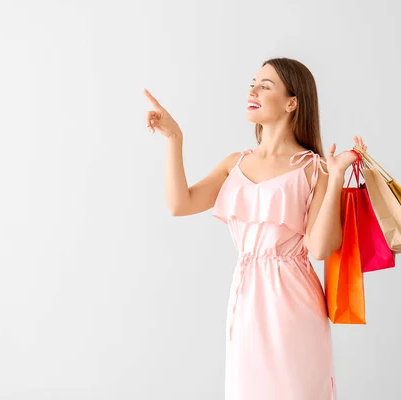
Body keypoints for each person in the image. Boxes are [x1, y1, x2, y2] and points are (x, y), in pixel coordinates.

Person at [144, 57, 367, 400]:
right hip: (247, 297)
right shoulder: (236, 163)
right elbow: (180, 204)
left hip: (294, 301)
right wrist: (175, 139)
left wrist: (335, 177)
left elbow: (321, 248)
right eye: (253, 83)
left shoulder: (314, 168)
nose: (253, 91)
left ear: (292, 103)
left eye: (265, 86)